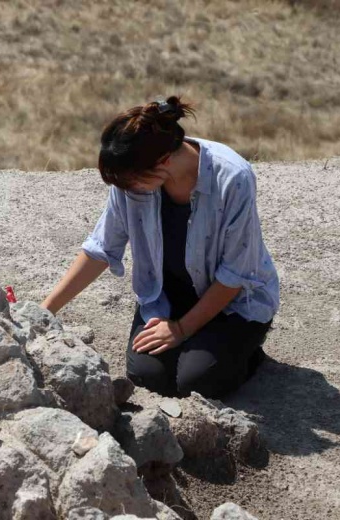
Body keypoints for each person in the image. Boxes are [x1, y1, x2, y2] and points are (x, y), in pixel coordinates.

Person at [40, 96, 279, 399]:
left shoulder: (233, 177)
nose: (125, 190)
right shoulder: (132, 177)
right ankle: (206, 348)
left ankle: (248, 355)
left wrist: (180, 330)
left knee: (197, 383)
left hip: (233, 303)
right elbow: (101, 248)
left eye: (131, 182)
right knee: (146, 377)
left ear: (163, 161)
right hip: (167, 296)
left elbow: (235, 273)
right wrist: (45, 311)